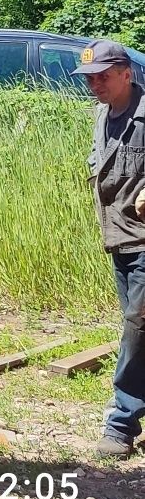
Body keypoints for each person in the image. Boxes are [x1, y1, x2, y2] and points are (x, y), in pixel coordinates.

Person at [80, 40, 145, 458]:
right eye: (89, 78)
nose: (94, 84)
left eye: (103, 75)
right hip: (119, 236)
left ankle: (121, 421)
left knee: (137, 323)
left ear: (127, 73)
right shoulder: (103, 115)